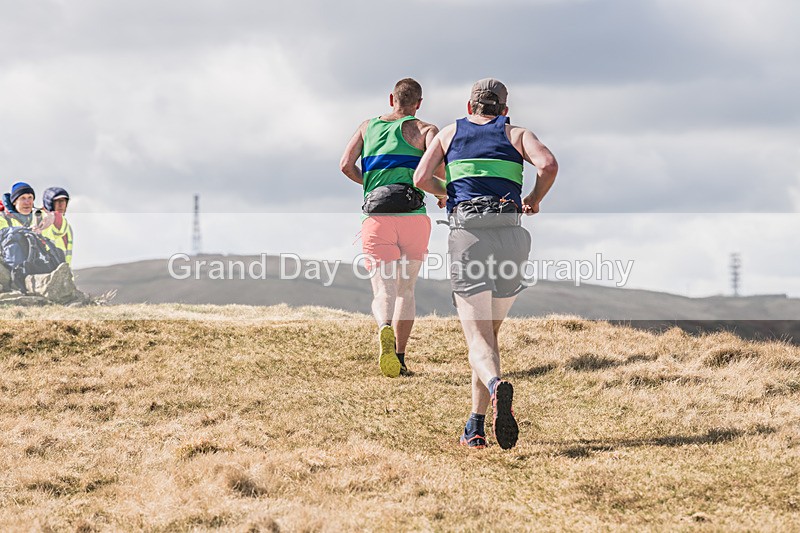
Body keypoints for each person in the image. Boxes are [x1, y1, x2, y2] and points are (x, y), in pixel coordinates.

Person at [413, 79, 558, 449]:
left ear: (469, 106)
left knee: (478, 339)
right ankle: (475, 427)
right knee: (489, 337)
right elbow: (548, 165)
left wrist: (447, 192)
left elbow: (420, 177)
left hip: (470, 238)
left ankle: (496, 388)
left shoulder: (448, 133)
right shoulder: (517, 134)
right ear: (504, 110)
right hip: (511, 238)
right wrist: (534, 199)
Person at [340, 78, 445, 378]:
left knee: (383, 288)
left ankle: (383, 327)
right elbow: (437, 173)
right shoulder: (426, 130)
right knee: (406, 290)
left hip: (377, 219)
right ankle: (399, 358)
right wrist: (441, 195)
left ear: (391, 99)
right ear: (419, 104)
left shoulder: (366, 127)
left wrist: (373, 184)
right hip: (414, 217)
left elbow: (345, 165)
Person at [40, 187, 74, 265]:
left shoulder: (68, 228)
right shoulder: (40, 218)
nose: (61, 205)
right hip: (45, 271)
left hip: (61, 273)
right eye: (57, 201)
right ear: (49, 203)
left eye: (64, 201)